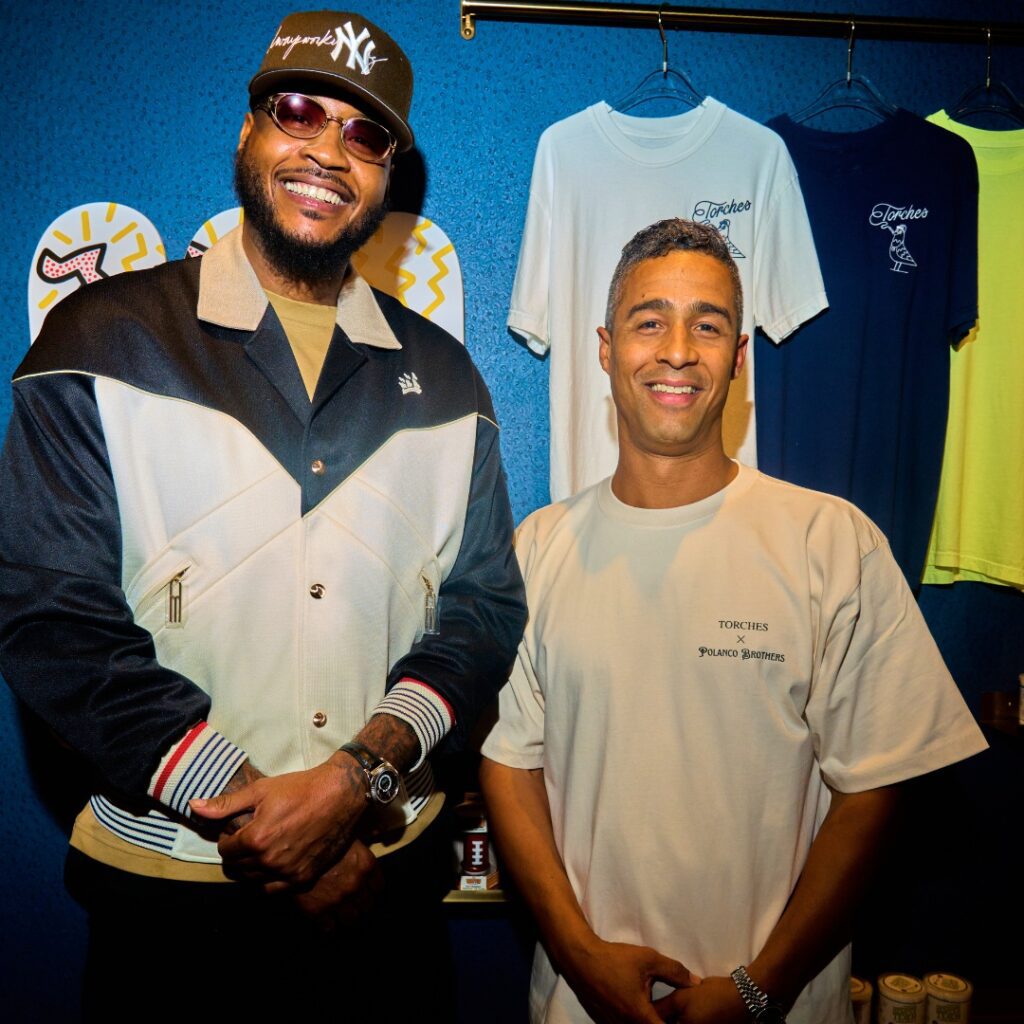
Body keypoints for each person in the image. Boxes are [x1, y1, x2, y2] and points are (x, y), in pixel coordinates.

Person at [0, 10, 525, 1020]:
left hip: (387, 891)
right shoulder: (97, 336)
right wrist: (268, 822)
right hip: (171, 912)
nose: (327, 150)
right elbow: (51, 620)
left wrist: (355, 780)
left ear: (388, 173)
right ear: (248, 132)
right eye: (298, 111)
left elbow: (484, 611)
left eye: (364, 134)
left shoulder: (450, 378)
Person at [479, 218, 987, 1024]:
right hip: (581, 1003)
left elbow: (873, 791)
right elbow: (510, 766)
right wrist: (582, 959)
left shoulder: (831, 542)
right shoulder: (536, 550)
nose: (678, 349)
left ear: (739, 358)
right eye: (650, 321)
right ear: (606, 349)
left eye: (708, 325)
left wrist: (759, 989)